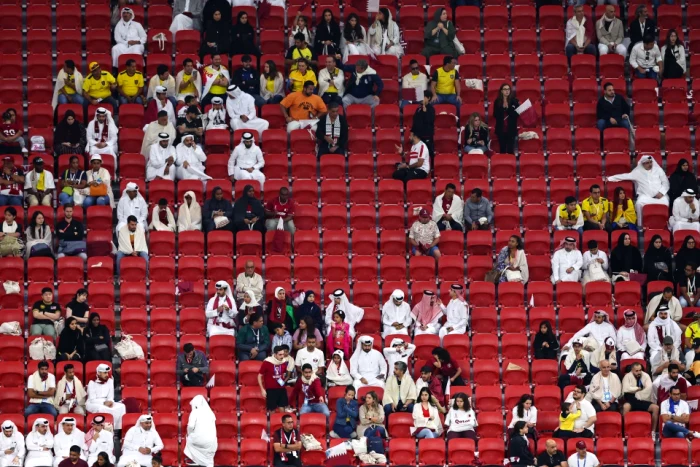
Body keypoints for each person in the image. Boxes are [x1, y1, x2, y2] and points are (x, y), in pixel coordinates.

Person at [621, 362, 659, 435]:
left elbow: (649, 388)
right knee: (625, 407)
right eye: (636, 371)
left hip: (644, 400)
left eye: (640, 370)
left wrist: (636, 392)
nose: (639, 372)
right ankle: (625, 432)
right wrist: (639, 389)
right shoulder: (627, 376)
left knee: (656, 408)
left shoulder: (646, 376)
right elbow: (626, 389)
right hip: (631, 400)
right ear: (632, 370)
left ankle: (653, 432)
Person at [86, 364, 126, 429]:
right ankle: (104, 428)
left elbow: (110, 396)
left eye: (107, 372)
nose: (107, 375)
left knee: (122, 406)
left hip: (107, 401)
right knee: (102, 409)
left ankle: (117, 429)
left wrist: (110, 402)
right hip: (93, 403)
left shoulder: (110, 381)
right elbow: (92, 399)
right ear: (99, 373)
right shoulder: (92, 382)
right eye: (105, 373)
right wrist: (104, 403)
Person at [184, 396, 217, 467]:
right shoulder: (211, 413)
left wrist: (189, 434)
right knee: (209, 460)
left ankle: (194, 459)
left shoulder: (195, 412)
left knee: (188, 438)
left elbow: (190, 426)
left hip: (198, 441)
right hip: (211, 442)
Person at [259, 345, 292, 412]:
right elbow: (259, 375)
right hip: (271, 390)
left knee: (282, 409)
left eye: (283, 354)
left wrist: (284, 381)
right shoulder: (267, 362)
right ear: (275, 354)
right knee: (272, 410)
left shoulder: (284, 362)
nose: (282, 356)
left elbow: (284, 374)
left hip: (281, 389)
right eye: (280, 355)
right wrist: (262, 389)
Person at [493, 82, 519, 154]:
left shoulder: (514, 101)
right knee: (502, 149)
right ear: (501, 91)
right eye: (505, 89)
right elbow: (495, 115)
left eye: (508, 89)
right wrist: (503, 109)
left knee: (510, 150)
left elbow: (517, 114)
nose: (507, 91)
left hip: (511, 129)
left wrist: (508, 109)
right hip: (501, 129)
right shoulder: (497, 102)